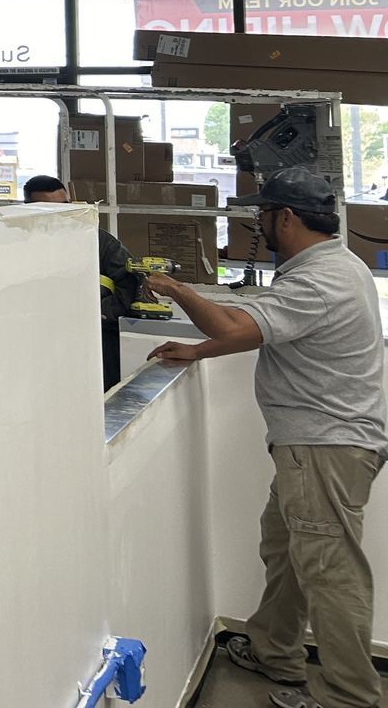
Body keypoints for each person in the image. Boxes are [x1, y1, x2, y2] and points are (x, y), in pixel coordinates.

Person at [149, 167, 388, 708]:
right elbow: (267, 332)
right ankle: (275, 651)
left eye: (261, 214)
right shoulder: (332, 265)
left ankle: (350, 697)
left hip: (325, 446)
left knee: (330, 572)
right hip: (315, 444)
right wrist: (196, 351)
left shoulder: (319, 279)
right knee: (285, 552)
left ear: (284, 217)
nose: (255, 223)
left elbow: (235, 327)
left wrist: (176, 289)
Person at [25, 173, 139, 391]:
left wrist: (92, 315)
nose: (62, 216)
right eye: (50, 210)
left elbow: (131, 287)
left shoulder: (100, 243)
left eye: (65, 207)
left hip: (95, 339)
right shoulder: (17, 244)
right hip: (39, 340)